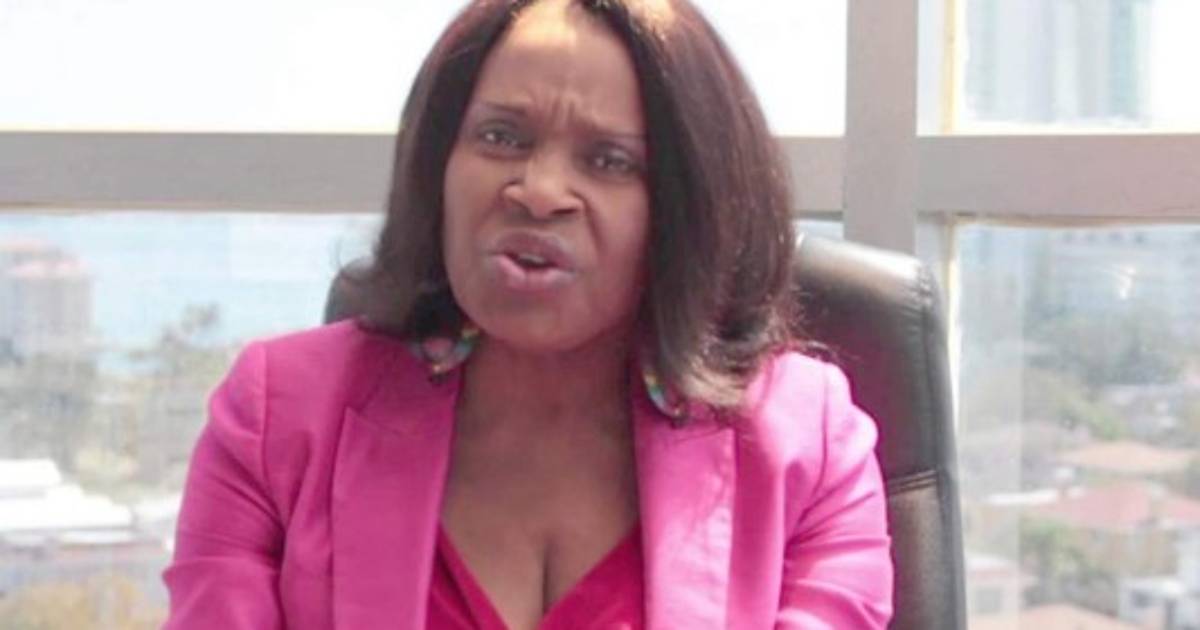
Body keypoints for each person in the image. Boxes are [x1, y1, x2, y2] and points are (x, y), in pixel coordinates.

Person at [162, 0, 893, 628]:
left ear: (686, 207)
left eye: (609, 160)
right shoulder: (275, 418)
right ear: (438, 166)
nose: (538, 191)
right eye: (501, 138)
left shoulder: (805, 443)